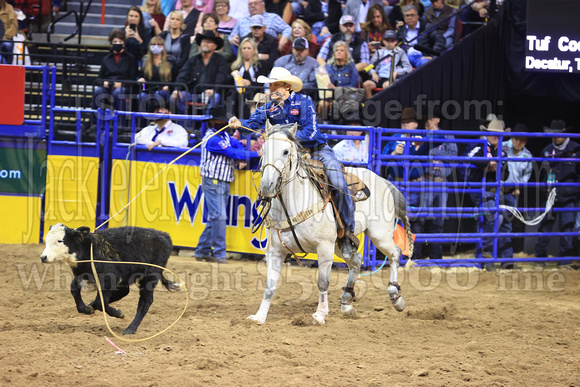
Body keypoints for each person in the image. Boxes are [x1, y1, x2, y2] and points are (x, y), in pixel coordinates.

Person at [228, 67, 360, 258]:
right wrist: (238, 123)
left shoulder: (304, 102)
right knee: (271, 177)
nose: (271, 88)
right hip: (288, 155)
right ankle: (282, 234)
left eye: (275, 84)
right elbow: (252, 124)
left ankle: (347, 233)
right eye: (270, 84)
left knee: (338, 182)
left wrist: (283, 138)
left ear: (287, 87)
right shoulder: (267, 106)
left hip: (316, 150)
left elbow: (311, 132)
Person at [196, 106, 262, 264]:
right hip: (213, 181)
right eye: (219, 121)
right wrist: (257, 154)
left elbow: (237, 146)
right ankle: (219, 253)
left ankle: (202, 250)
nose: (221, 123)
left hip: (222, 181)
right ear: (213, 122)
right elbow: (233, 153)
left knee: (216, 217)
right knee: (219, 216)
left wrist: (240, 152)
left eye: (222, 121)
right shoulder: (212, 139)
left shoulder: (224, 135)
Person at [381, 107, 444, 259]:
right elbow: (381, 159)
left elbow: (439, 139)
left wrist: (432, 130)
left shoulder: (421, 138)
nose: (405, 124)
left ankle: (412, 256)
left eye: (409, 122)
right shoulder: (395, 138)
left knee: (414, 221)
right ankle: (390, 255)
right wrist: (393, 154)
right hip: (395, 184)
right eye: (403, 122)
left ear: (416, 124)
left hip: (414, 186)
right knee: (390, 220)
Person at [465, 119, 512, 260]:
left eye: (497, 134)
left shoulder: (502, 153)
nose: (494, 136)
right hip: (479, 189)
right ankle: (486, 251)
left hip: (493, 191)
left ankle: (501, 257)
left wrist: (498, 167)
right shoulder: (480, 147)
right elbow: (469, 157)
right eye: (492, 133)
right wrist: (487, 162)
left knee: (501, 217)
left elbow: (505, 174)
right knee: (492, 214)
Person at [534, 120, 580, 258]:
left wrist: (573, 191)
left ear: (565, 134)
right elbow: (541, 174)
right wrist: (544, 190)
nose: (555, 137)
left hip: (568, 197)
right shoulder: (547, 151)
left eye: (558, 135)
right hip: (550, 196)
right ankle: (540, 258)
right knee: (544, 228)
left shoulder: (577, 150)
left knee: (567, 228)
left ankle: (565, 260)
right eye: (553, 135)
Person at [422, 107, 457, 260]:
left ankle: (436, 256)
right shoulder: (423, 136)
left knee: (439, 220)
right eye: (428, 119)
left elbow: (454, 157)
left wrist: (437, 157)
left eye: (432, 118)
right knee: (420, 218)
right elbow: (420, 154)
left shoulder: (448, 136)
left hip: (441, 182)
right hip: (426, 180)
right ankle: (416, 254)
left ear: (437, 120)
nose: (429, 121)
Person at [171, 30, 229, 114]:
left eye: (209, 42)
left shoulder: (221, 60)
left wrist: (214, 90)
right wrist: (177, 89)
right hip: (192, 93)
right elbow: (182, 75)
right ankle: (186, 124)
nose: (205, 43)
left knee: (216, 97)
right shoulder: (193, 59)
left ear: (215, 46)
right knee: (174, 97)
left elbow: (222, 77)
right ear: (200, 44)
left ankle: (206, 125)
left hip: (210, 94)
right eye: (204, 41)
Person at [94, 29, 139, 115]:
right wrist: (104, 83)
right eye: (115, 41)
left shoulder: (131, 58)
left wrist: (122, 84)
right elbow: (99, 77)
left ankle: (119, 124)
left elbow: (133, 78)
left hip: (125, 87)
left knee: (118, 92)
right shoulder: (106, 59)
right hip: (108, 87)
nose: (117, 44)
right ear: (111, 43)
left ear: (124, 43)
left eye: (120, 41)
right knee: (98, 91)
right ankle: (98, 123)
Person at [318, 40, 361, 120]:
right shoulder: (328, 67)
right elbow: (319, 83)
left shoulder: (351, 67)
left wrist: (337, 89)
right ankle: (324, 125)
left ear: (346, 54)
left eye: (342, 50)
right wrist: (320, 75)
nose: (339, 52)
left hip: (345, 97)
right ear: (333, 53)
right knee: (322, 103)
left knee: (335, 104)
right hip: (329, 96)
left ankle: (334, 128)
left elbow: (354, 85)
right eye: (336, 50)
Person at [362, 29, 412, 99]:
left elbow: (408, 68)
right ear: (383, 41)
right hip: (378, 77)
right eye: (387, 40)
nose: (389, 43)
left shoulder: (400, 52)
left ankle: (385, 106)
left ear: (396, 42)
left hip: (391, 78)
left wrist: (397, 72)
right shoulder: (379, 52)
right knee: (366, 84)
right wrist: (373, 73)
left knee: (388, 86)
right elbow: (370, 66)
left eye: (392, 41)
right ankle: (370, 105)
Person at [231, 37, 268, 117]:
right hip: (238, 96)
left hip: (255, 94)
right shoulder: (235, 66)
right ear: (240, 50)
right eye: (244, 48)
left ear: (254, 50)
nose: (246, 51)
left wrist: (250, 83)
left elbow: (263, 81)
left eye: (249, 48)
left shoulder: (260, 64)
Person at [137, 36, 175, 114]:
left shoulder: (170, 61)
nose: (156, 47)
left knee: (159, 94)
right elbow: (143, 82)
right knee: (141, 96)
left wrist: (168, 86)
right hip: (148, 90)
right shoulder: (145, 61)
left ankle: (156, 119)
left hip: (163, 90)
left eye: (159, 44)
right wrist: (142, 84)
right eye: (153, 44)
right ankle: (143, 122)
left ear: (163, 47)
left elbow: (174, 78)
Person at [158, 10, 192, 77]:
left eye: (177, 19)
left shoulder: (185, 38)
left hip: (177, 70)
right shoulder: (163, 35)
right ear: (169, 21)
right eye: (172, 19)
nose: (174, 21)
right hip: (161, 68)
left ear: (181, 22)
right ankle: (144, 87)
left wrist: (173, 67)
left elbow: (184, 58)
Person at [0, 0, 17, 65]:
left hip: (6, 37)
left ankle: (8, 66)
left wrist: (5, 36)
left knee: (7, 45)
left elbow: (14, 25)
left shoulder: (9, 8)